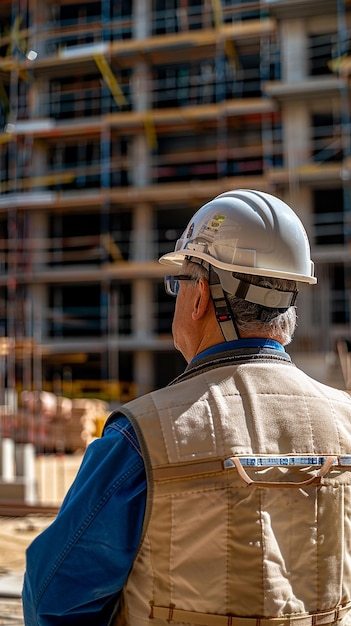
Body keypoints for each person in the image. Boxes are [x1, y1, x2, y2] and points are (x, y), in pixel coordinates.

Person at [22, 189, 351, 626]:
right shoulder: (345, 421)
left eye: (178, 284)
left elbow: (53, 598)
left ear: (200, 298)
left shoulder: (142, 437)